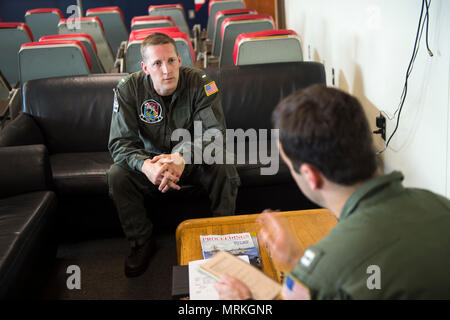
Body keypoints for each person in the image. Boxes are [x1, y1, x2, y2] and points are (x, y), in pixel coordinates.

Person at [214, 85, 450, 299]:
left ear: (310, 176)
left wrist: (245, 301)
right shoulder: (441, 204)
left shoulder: (322, 274)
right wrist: (298, 259)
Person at [108, 33, 240, 277]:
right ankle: (141, 243)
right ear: (145, 67)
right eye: (157, 63)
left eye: (171, 60)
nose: (166, 70)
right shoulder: (129, 89)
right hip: (152, 165)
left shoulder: (200, 82)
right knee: (117, 174)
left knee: (222, 163)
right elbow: (120, 143)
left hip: (192, 162)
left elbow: (213, 133)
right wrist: (146, 165)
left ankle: (224, 238)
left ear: (180, 60)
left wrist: (181, 158)